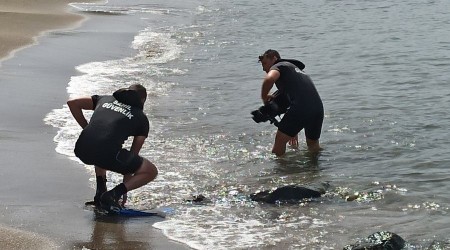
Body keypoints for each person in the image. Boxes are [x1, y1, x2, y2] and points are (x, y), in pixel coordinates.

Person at [67, 84, 158, 213]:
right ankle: (111, 195)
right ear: (142, 101)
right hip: (105, 153)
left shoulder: (104, 99)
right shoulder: (141, 118)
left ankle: (100, 191)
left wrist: (86, 128)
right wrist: (124, 189)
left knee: (102, 144)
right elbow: (133, 154)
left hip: (82, 148)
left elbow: (72, 103)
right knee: (150, 171)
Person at [258, 49, 324, 156]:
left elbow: (269, 79)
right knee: (313, 145)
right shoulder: (294, 69)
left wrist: (264, 97)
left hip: (302, 108)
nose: (264, 68)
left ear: (274, 58)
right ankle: (315, 171)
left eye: (265, 63)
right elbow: (298, 96)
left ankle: (281, 171)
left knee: (279, 142)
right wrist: (293, 130)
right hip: (318, 108)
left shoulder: (278, 66)